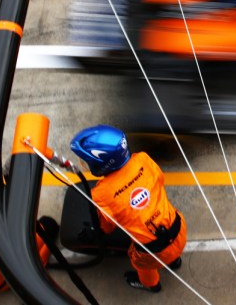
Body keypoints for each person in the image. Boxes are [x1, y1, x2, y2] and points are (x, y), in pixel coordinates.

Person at [70, 125, 186, 293]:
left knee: (141, 264)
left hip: (152, 254)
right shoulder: (143, 159)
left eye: (85, 160)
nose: (83, 163)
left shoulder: (101, 194)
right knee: (168, 244)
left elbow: (106, 228)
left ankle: (151, 284)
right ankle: (175, 261)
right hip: (179, 229)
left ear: (99, 163)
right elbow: (160, 179)